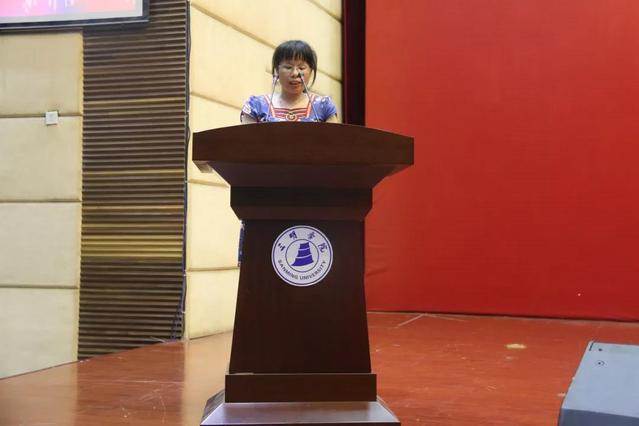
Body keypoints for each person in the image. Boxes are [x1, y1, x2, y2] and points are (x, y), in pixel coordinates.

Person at [240, 40, 339, 123]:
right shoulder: (256, 106)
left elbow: (334, 139)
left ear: (311, 71)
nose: (295, 73)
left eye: (301, 68)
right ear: (276, 70)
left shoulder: (324, 107)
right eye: (288, 67)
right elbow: (247, 139)